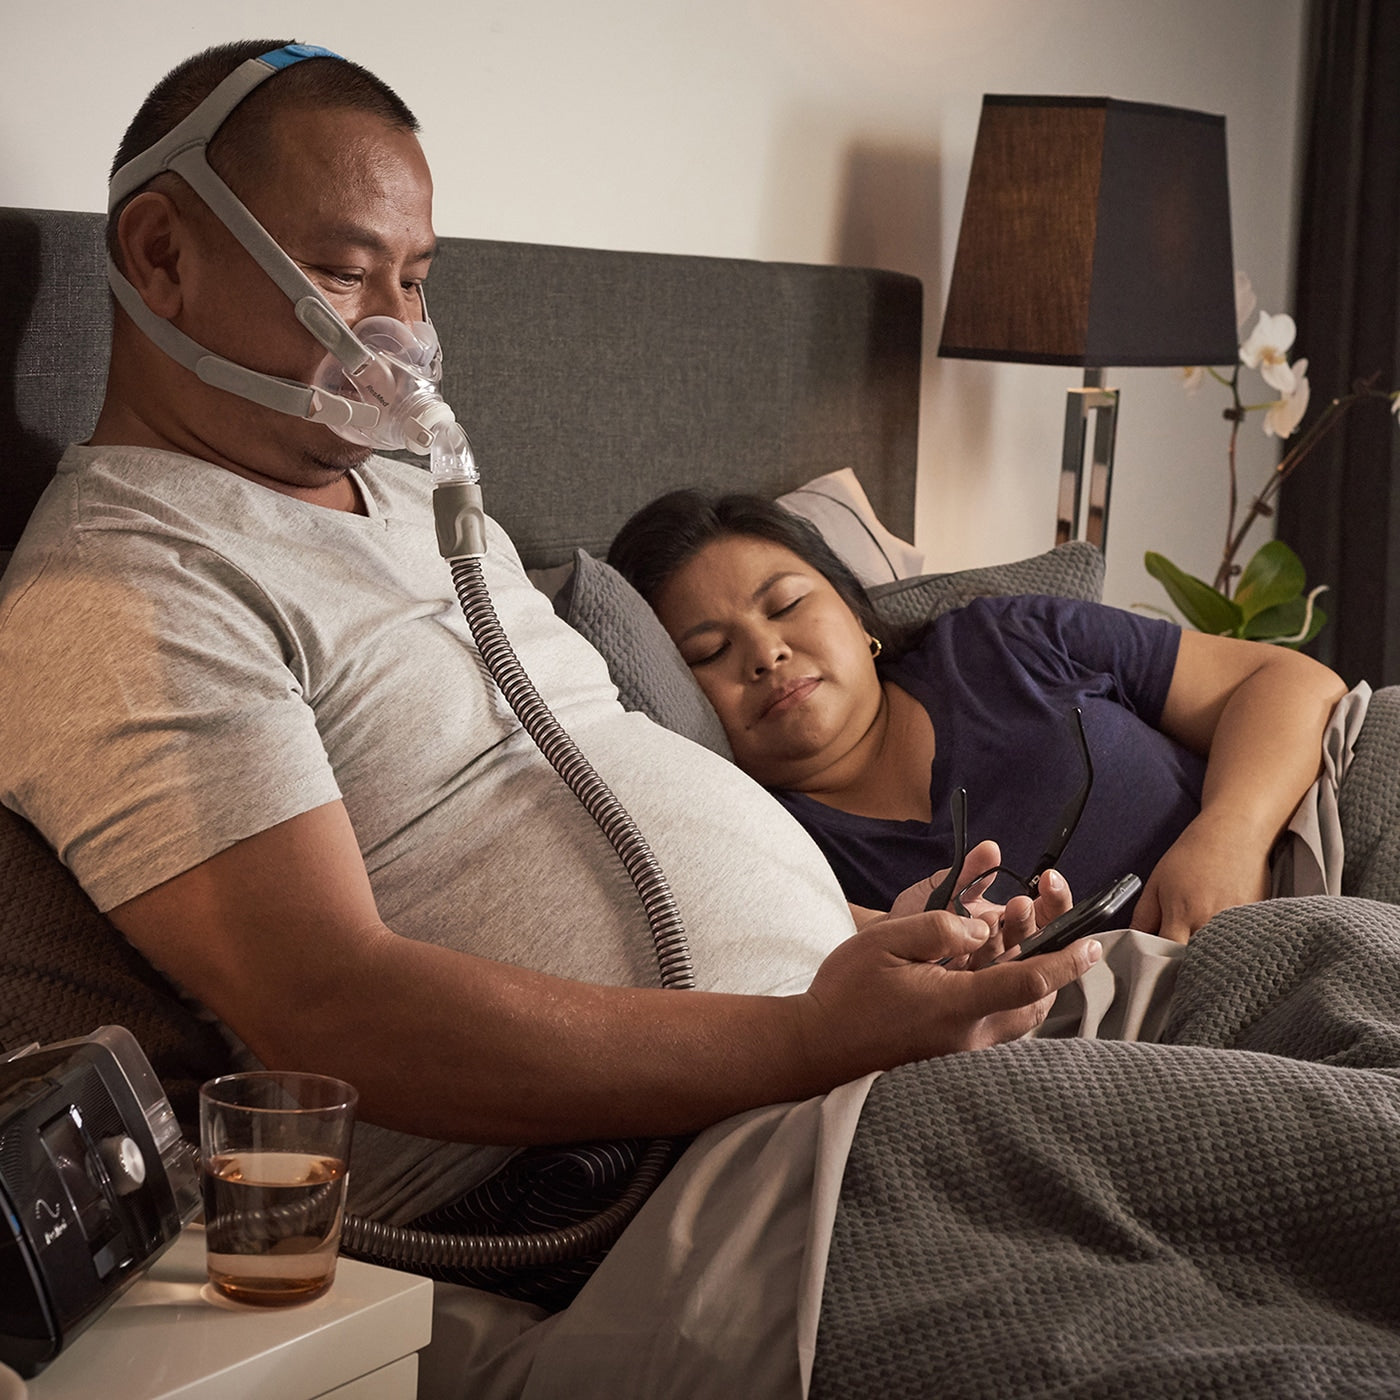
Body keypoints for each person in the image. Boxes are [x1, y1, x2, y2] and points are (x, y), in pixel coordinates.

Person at [0, 39, 1093, 1298]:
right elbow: (332, 1004)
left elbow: (585, 796)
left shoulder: (420, 503)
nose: (397, 335)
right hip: (625, 1181)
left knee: (1320, 973)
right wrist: (802, 1034)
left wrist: (872, 946)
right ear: (159, 255)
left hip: (809, 1069)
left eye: (415, 280)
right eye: (342, 271)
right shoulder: (129, 586)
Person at [607, 490, 1349, 941]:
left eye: (787, 604)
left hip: (1309, 834)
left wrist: (1229, 836)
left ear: (855, 611)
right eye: (708, 652)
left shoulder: (1000, 641)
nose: (766, 653)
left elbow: (1282, 679)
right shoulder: (761, 847)